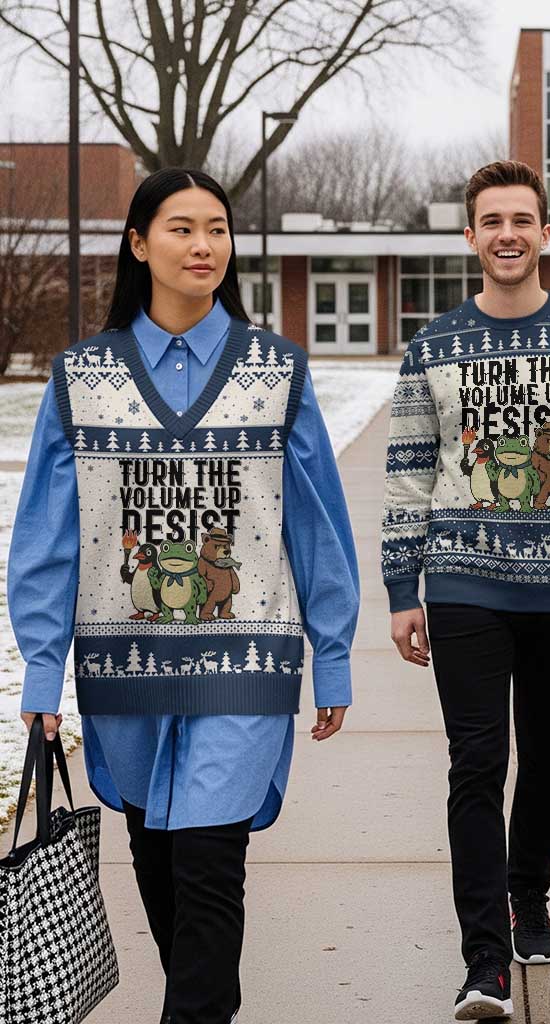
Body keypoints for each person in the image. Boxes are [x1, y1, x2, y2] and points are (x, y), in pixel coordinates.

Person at [10, 168, 359, 1024]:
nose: (203, 246)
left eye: (217, 229)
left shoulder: (277, 372)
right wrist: (44, 675)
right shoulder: (81, 378)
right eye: (181, 228)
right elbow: (47, 540)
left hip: (246, 661)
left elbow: (316, 525)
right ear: (138, 244)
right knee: (159, 861)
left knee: (210, 863)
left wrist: (335, 654)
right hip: (122, 666)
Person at [381, 160, 550, 1021]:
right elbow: (407, 477)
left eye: (522, 220)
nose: (507, 234)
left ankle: (527, 895)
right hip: (461, 581)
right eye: (491, 220)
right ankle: (484, 961)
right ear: (470, 236)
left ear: (545, 233)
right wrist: (401, 586)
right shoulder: (431, 347)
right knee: (477, 761)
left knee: (549, 753)